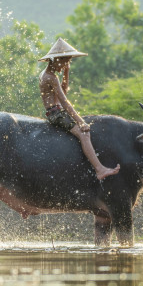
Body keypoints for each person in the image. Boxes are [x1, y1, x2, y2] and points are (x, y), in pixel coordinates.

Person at [38, 38, 120, 181]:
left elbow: (63, 92)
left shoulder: (46, 74)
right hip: (56, 114)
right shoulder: (51, 77)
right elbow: (64, 102)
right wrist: (81, 121)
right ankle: (100, 169)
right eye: (65, 61)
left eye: (68, 62)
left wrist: (66, 72)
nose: (65, 65)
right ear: (56, 60)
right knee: (84, 134)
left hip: (54, 111)